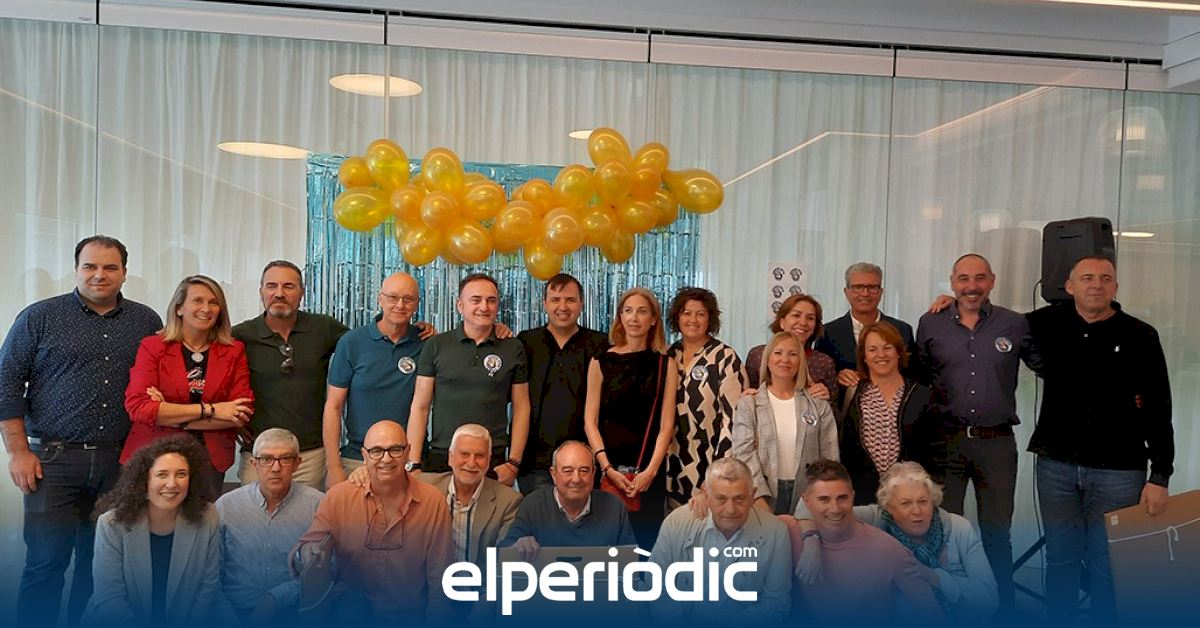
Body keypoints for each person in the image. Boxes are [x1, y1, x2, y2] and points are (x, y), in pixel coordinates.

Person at [0, 236, 162, 625]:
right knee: (46, 562)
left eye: (109, 267)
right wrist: (18, 452)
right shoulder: (39, 317)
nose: (99, 275)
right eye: (90, 266)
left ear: (124, 272)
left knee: (102, 565)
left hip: (120, 461)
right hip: (53, 461)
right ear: (76, 270)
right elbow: (6, 383)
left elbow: (156, 378)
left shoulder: (147, 321)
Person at [1025, 255, 1173, 623]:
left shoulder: (1140, 334)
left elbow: (1158, 406)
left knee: (1108, 562)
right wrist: (952, 303)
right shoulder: (1045, 324)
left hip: (1119, 471)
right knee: (1060, 559)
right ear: (1069, 286)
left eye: (1105, 278)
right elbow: (992, 322)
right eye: (1087, 278)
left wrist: (1161, 475)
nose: (1096, 285)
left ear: (1116, 287)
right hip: (1056, 466)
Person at [916, 253, 1029, 615]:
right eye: (963, 279)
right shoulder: (930, 323)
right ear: (952, 282)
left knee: (997, 533)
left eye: (980, 278)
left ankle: (1002, 612)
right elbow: (918, 379)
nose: (972, 286)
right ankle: (951, 610)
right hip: (945, 443)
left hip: (996, 444)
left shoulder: (1015, 324)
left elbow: (1048, 366)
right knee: (944, 530)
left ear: (992, 281)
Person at [294, 420, 453, 622]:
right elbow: (307, 547)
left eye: (395, 450)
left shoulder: (432, 501)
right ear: (364, 455)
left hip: (409, 616)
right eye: (376, 451)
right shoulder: (338, 497)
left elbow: (440, 574)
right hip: (351, 614)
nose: (386, 459)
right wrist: (307, 553)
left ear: (408, 452)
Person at [123, 275, 254, 491]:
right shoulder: (153, 347)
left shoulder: (233, 350)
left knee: (203, 514)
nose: (206, 309)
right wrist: (213, 410)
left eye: (214, 302)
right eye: (197, 301)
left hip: (209, 460)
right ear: (179, 308)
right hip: (154, 456)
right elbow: (139, 408)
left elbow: (240, 412)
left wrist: (169, 414)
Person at [83, 434, 227, 625]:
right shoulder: (111, 524)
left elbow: (207, 590)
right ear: (145, 480)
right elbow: (110, 600)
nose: (172, 483)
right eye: (162, 474)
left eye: (181, 474)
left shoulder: (208, 518)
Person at [232, 260, 348, 489]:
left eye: (288, 286)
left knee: (310, 512)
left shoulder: (323, 328)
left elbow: (366, 344)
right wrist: (231, 422)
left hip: (311, 456)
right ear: (261, 292)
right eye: (271, 286)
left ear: (302, 293)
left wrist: (412, 331)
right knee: (255, 512)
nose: (279, 293)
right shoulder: (240, 336)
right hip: (260, 455)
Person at [408, 273, 530, 485]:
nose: (484, 307)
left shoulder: (513, 347)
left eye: (491, 300)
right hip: (443, 455)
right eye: (476, 300)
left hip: (492, 458)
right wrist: (413, 464)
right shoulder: (436, 345)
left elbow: (522, 407)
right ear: (460, 305)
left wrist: (513, 462)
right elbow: (420, 406)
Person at [789, 459, 945, 625]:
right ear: (806, 501)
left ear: (853, 496)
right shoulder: (788, 533)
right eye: (824, 499)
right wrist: (811, 539)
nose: (835, 509)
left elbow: (932, 613)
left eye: (842, 498)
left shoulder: (888, 548)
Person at [583, 287, 678, 547]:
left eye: (642, 311)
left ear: (653, 319)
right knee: (606, 546)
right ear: (620, 317)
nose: (634, 317)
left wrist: (650, 471)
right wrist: (607, 468)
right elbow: (590, 421)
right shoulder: (600, 362)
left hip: (648, 470)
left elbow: (666, 425)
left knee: (646, 546)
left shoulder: (665, 363)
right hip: (608, 469)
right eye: (628, 311)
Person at [850, 462, 997, 624]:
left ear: (933, 501)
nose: (917, 511)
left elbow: (990, 601)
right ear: (888, 508)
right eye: (905, 503)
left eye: (923, 501)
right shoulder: (878, 521)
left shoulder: (959, 528)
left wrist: (935, 577)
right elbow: (833, 514)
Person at [650, 458, 792, 623]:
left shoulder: (776, 532)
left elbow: (776, 603)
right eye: (721, 499)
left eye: (739, 499)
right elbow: (656, 585)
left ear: (752, 495)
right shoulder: (677, 522)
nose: (730, 510)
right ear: (706, 496)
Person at [322, 271, 428, 485]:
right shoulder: (351, 343)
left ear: (417, 303)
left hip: (408, 460)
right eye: (393, 297)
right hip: (358, 458)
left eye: (408, 299)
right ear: (380, 299)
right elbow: (333, 407)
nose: (400, 305)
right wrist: (333, 467)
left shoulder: (425, 343)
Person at [214, 428, 324, 622]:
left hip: (294, 610)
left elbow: (326, 569)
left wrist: (275, 599)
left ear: (297, 463)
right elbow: (211, 573)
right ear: (253, 464)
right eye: (266, 459)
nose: (275, 468)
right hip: (234, 611)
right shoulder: (226, 507)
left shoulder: (318, 505)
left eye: (285, 459)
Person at [517, 273, 608, 495]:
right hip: (535, 462)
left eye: (570, 300)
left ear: (581, 304)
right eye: (555, 300)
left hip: (585, 462)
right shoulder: (526, 342)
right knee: (539, 517)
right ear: (544, 303)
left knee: (585, 517)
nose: (563, 307)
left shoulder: (600, 344)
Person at [731, 331, 838, 515]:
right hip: (762, 494)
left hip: (809, 495)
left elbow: (830, 454)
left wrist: (823, 495)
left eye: (793, 354)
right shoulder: (749, 403)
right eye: (778, 353)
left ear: (801, 361)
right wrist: (758, 496)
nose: (785, 360)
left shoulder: (818, 404)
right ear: (767, 359)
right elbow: (743, 453)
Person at [839, 321, 938, 505]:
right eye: (872, 349)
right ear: (864, 356)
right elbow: (844, 448)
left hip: (910, 496)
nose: (881, 355)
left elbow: (935, 450)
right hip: (861, 495)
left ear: (899, 352)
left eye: (887, 348)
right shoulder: (851, 393)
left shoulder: (922, 395)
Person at [664, 287, 746, 509]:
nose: (693, 319)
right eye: (687, 313)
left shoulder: (724, 357)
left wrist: (718, 472)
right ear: (677, 317)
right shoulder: (668, 355)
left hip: (709, 463)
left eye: (700, 314)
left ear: (710, 319)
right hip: (670, 464)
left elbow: (733, 420)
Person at [501, 440, 637, 556]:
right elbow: (504, 551)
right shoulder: (533, 504)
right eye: (567, 471)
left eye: (584, 471)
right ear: (553, 474)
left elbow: (630, 561)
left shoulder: (614, 507)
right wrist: (515, 547)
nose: (576, 479)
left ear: (593, 473)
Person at [816, 262, 917, 388]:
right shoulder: (828, 332)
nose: (865, 293)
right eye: (858, 287)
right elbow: (820, 376)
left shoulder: (902, 330)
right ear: (846, 292)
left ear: (881, 292)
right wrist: (837, 377)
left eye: (872, 287)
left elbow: (914, 377)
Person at [743, 294, 836, 399]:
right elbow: (747, 393)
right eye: (796, 315)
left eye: (810, 318)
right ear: (782, 322)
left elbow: (834, 407)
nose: (803, 323)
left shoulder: (824, 362)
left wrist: (826, 399)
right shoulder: (757, 355)